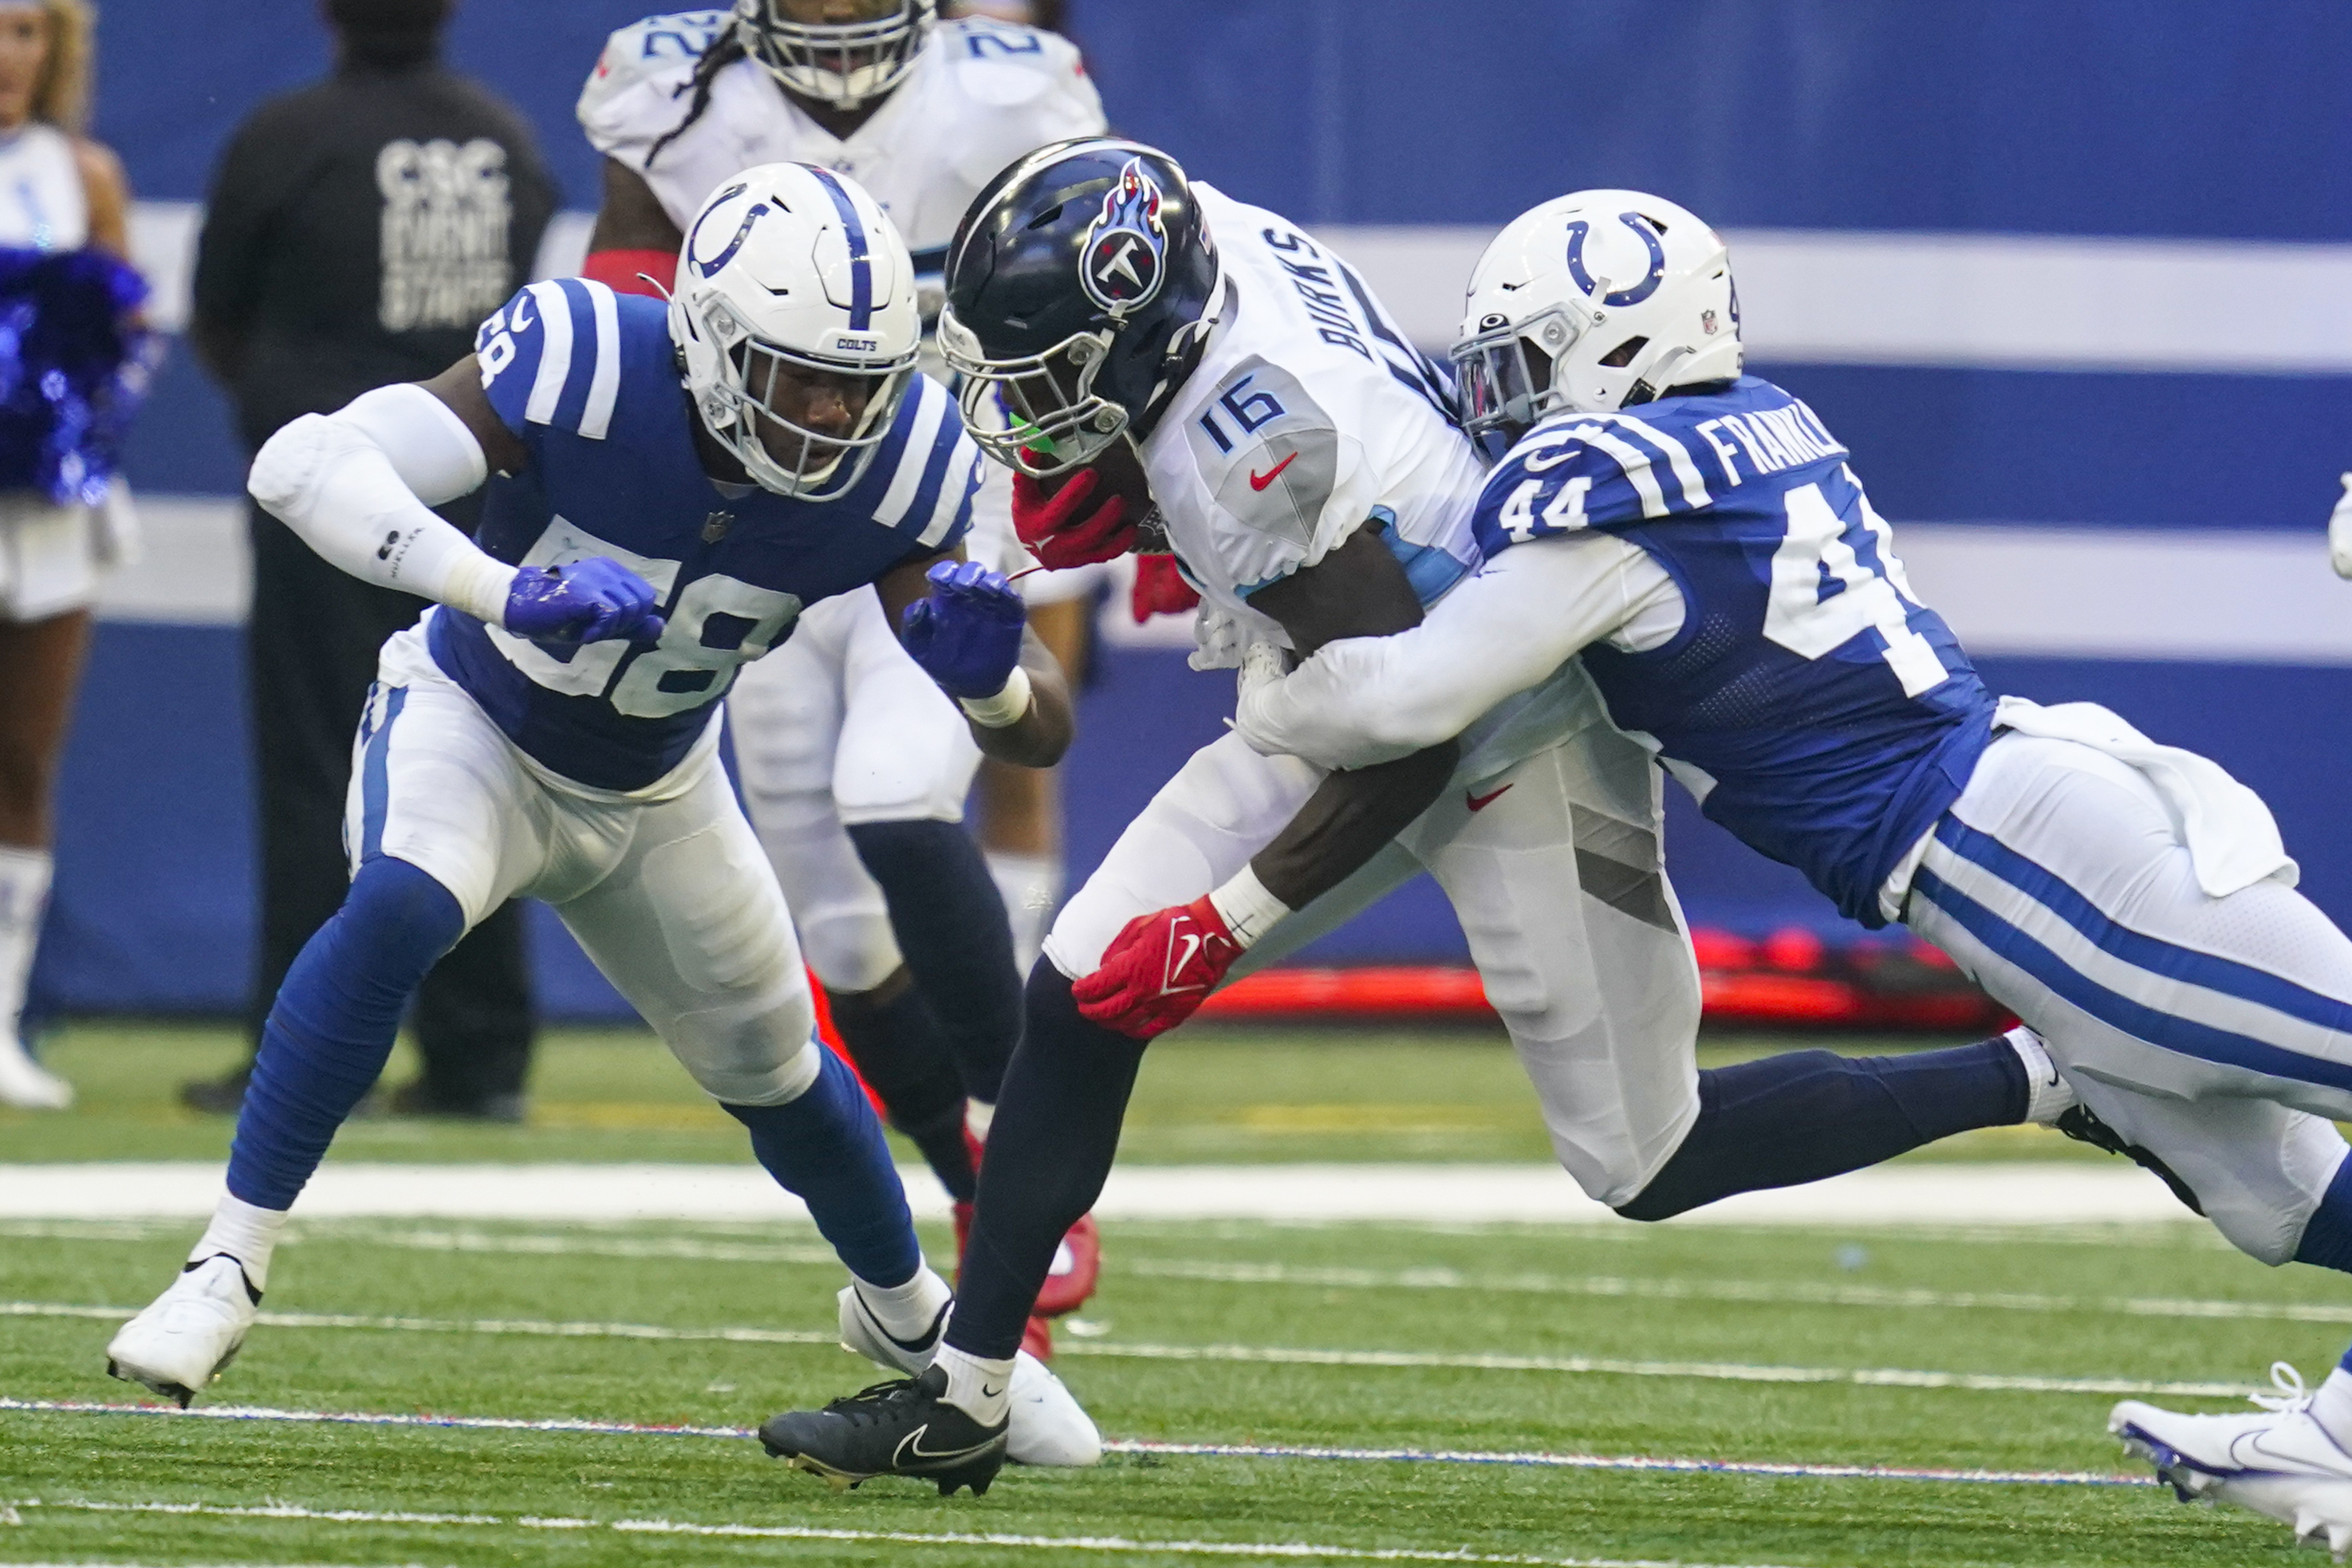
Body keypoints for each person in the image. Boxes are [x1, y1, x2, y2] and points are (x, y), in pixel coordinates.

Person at [757, 148, 2069, 1496]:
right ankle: (967, 1395)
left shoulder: (1259, 445)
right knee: (1083, 983)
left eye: (1047, 378)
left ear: (1142, 336)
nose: (1022, 412)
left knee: (1646, 1153)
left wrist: (1224, 923)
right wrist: (1179, 532)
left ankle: (2044, 1073)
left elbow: (1410, 726)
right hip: (1349, 659)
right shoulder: (1209, 242)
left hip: (1507, 727)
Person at [1200, 189, 2352, 1550]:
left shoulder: (1614, 504)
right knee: (2276, 1200)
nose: (1500, 402)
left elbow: (1404, 699)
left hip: (2035, 866)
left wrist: (1268, 690)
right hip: (2018, 861)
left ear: (1611, 346)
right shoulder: (1729, 436)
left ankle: (2333, 1436)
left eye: (1521, 362)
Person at [101, 163, 1097, 1473]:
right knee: (402, 898)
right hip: (477, 722)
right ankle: (225, 1263)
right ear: (708, 337)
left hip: (661, 785)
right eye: (798, 376)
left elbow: (1041, 731)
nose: (830, 413)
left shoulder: (905, 455)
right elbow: (303, 465)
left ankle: (922, 1329)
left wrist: (992, 683)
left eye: (855, 382)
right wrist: (504, 590)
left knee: (783, 1075)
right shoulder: (585, 356)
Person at [574, 0, 1104, 1350]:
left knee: (895, 790)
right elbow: (626, 317)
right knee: (841, 938)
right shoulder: (667, 84)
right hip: (760, 525)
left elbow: (1100, 304)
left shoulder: (1013, 88)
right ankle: (982, 1182)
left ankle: (1018, 1133)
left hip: (936, 509)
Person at [182, 0, 557, 1122]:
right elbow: (526, 330)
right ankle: (479, 1059)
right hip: (476, 499)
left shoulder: (284, 135)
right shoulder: (503, 141)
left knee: (315, 767)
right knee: (483, 756)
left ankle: (300, 1054)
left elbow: (216, 317)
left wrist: (302, 417)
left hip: (327, 494)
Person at [0, 0, 142, 1110]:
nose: (8, 57)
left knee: (24, 760)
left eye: (27, 32)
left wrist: (63, 405)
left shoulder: (82, 173)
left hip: (47, 509)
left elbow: (126, 347)